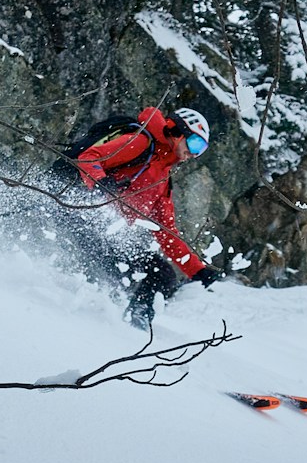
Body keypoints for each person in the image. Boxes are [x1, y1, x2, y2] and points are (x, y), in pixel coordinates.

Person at [54, 104, 224, 328]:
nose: (193, 154)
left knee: (162, 275)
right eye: (194, 143)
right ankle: (85, 316)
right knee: (113, 272)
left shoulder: (162, 178)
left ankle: (135, 326)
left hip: (106, 229)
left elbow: (166, 232)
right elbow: (89, 157)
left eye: (200, 150)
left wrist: (197, 270)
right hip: (75, 209)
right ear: (179, 131)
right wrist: (101, 184)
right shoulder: (142, 142)